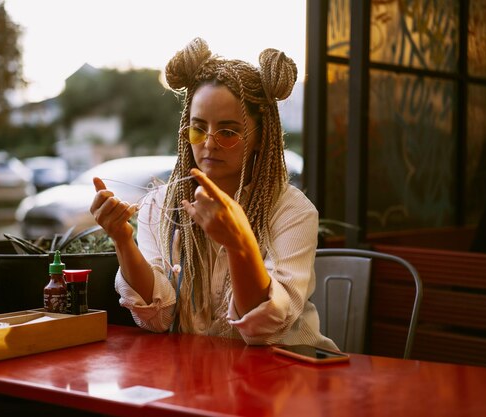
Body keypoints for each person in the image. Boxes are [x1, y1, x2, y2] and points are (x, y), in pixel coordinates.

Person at [91, 37, 337, 350]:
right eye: (198, 128)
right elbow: (159, 317)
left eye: (228, 131)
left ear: (261, 136)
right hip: (205, 378)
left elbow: (264, 331)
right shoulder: (160, 205)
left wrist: (238, 243)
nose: (209, 143)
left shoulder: (290, 210)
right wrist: (122, 239)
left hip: (289, 375)